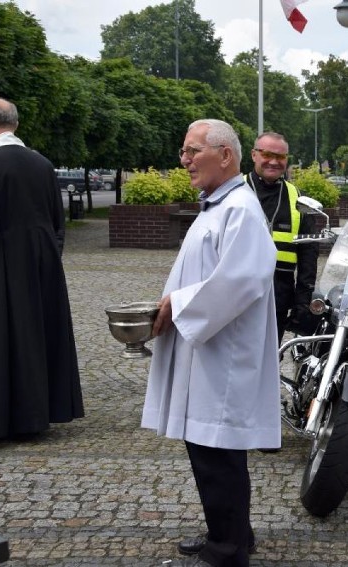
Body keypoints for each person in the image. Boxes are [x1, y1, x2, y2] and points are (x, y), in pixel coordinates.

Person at [142, 119, 279, 567]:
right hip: (207, 347)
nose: (184, 161)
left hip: (224, 353)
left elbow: (242, 279)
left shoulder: (239, 208)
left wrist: (178, 305)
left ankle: (229, 548)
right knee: (206, 449)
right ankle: (233, 532)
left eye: (191, 151)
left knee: (217, 453)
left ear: (225, 155)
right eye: (183, 152)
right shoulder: (218, 205)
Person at [0, 97, 83, 440]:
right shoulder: (42, 163)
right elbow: (57, 222)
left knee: (5, 341)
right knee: (35, 337)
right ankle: (36, 415)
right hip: (43, 264)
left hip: (1, 265)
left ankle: (3, 419)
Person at [244, 132, 318, 343]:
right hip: (239, 289)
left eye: (281, 157)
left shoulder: (297, 197)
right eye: (267, 154)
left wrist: (302, 301)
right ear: (254, 155)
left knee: (269, 357)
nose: (274, 162)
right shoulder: (236, 190)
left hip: (279, 292)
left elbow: (308, 252)